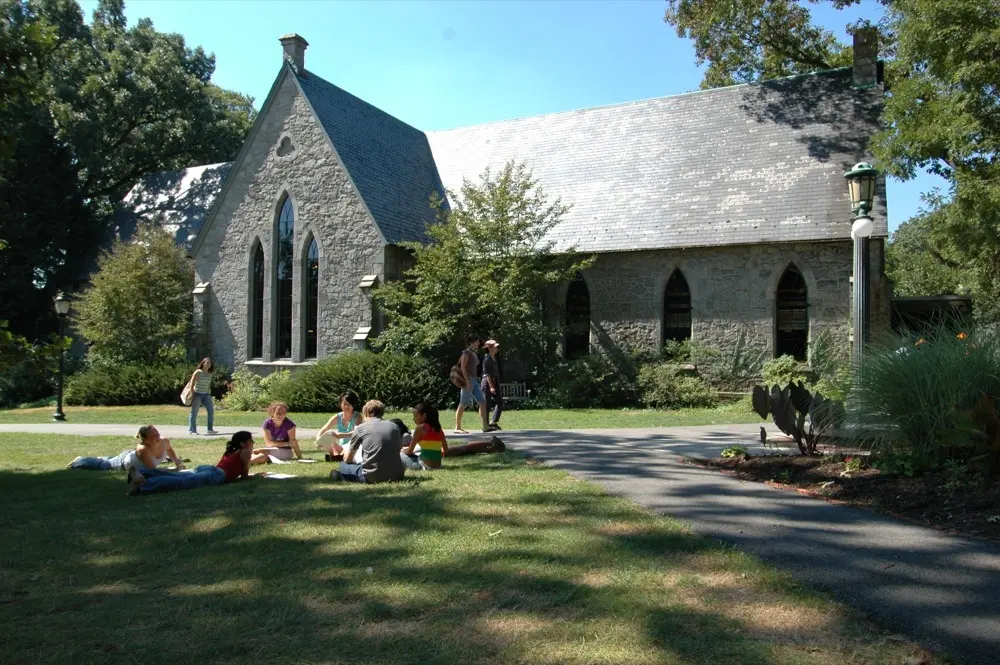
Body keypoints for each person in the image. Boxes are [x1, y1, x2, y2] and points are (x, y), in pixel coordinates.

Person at [127, 431, 258, 496]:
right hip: (216, 475)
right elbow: (244, 475)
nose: (252, 444)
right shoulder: (245, 452)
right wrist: (256, 476)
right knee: (182, 482)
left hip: (210, 469)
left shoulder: (232, 451)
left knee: (180, 477)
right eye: (251, 441)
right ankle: (144, 484)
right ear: (244, 443)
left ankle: (143, 473)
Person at [330, 400, 405, 484]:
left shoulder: (360, 428)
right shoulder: (394, 426)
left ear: (366, 412)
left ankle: (340, 475)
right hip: (397, 475)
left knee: (343, 465)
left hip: (372, 476)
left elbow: (348, 459)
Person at [68, 425, 185, 472]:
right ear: (145, 440)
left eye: (157, 433)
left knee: (107, 460)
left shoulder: (164, 441)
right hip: (123, 463)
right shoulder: (143, 449)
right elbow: (153, 470)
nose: (158, 436)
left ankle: (100, 458)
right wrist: (174, 470)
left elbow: (169, 450)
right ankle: (80, 460)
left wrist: (176, 460)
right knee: (104, 465)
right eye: (154, 435)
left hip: (129, 455)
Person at [454, 334, 489, 434]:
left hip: (475, 380)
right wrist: (467, 381)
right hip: (467, 380)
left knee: (482, 401)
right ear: (473, 342)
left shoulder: (474, 352)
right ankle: (457, 427)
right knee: (463, 403)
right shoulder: (466, 352)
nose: (479, 343)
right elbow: (463, 367)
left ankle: (485, 426)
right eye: (477, 341)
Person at [315, 391, 363, 460]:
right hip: (341, 447)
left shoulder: (357, 417)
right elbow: (324, 429)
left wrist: (341, 435)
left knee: (338, 446)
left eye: (349, 404)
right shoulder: (338, 417)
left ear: (353, 405)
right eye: (344, 404)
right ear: (340, 404)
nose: (346, 406)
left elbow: (357, 432)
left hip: (352, 446)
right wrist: (318, 440)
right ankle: (338, 456)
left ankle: (336, 456)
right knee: (330, 438)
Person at [400, 402, 448, 470]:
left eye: (415, 416)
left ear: (424, 416)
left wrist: (402, 451)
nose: (413, 419)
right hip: (438, 465)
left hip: (423, 465)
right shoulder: (439, 429)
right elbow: (446, 450)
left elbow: (410, 451)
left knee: (400, 455)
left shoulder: (420, 428)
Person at [187, 358, 218, 435]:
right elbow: (192, 383)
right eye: (207, 362)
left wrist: (208, 393)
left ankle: (210, 429)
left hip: (206, 394)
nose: (208, 364)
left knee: (211, 411)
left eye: (210, 363)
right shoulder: (198, 372)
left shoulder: (210, 374)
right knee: (194, 412)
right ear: (203, 363)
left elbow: (208, 385)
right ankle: (192, 430)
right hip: (197, 394)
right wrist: (191, 393)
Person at [481, 339, 503, 431]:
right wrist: (492, 387)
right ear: (490, 348)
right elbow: (488, 374)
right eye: (495, 347)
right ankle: (485, 425)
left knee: (500, 402)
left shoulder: (494, 358)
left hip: (494, 381)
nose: (497, 348)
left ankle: (493, 422)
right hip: (487, 382)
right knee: (487, 404)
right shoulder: (487, 359)